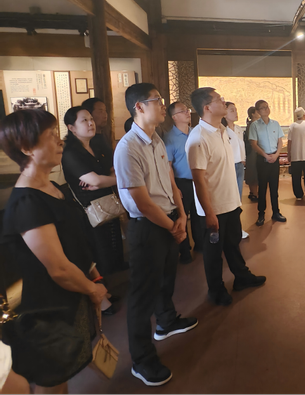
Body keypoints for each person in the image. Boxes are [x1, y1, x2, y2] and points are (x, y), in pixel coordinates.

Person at [0, 109, 108, 393]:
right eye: (50, 135)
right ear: (26, 148)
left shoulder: (52, 186)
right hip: (44, 311)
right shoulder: (27, 202)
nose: (59, 141)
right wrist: (92, 289)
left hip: (68, 299)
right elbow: (58, 268)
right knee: (54, 379)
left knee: (65, 372)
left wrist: (92, 275)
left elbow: (73, 241)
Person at [114, 83, 197, 387]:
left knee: (166, 279)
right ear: (139, 107)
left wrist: (182, 214)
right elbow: (142, 202)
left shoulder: (156, 139)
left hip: (169, 219)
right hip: (149, 227)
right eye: (157, 100)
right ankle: (142, 359)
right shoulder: (127, 148)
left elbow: (170, 180)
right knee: (141, 296)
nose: (163, 105)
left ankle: (166, 321)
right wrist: (173, 225)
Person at [186, 87, 266, 307]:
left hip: (230, 202)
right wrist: (209, 212)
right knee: (213, 252)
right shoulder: (198, 138)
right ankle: (216, 290)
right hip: (213, 208)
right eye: (218, 99)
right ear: (207, 107)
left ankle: (241, 276)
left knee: (232, 243)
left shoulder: (222, 130)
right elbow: (198, 180)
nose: (223, 101)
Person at [62, 107, 126, 279]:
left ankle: (116, 273)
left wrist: (106, 179)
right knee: (99, 247)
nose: (91, 123)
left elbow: (114, 171)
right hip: (88, 208)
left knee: (113, 239)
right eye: (84, 120)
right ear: (72, 128)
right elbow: (95, 181)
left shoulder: (97, 145)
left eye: (91, 119)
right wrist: (109, 179)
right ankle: (103, 285)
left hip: (107, 200)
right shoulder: (70, 153)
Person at [164, 102, 206, 262]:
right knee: (182, 216)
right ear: (174, 117)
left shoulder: (196, 133)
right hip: (182, 182)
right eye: (183, 111)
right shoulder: (169, 138)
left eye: (187, 110)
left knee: (198, 214)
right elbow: (168, 166)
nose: (188, 113)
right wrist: (174, 187)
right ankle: (185, 251)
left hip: (198, 180)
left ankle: (200, 244)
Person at [248, 100, 286, 226]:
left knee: (274, 188)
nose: (266, 109)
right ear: (258, 111)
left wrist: (276, 155)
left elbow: (280, 141)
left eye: (267, 107)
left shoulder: (275, 124)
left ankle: (276, 212)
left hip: (274, 158)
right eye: (263, 108)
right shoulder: (254, 125)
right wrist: (265, 155)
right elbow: (254, 144)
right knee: (262, 188)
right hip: (262, 160)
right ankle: (261, 214)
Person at [222, 101, 249, 239]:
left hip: (239, 165)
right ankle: (231, 229)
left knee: (238, 198)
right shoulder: (222, 129)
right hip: (228, 166)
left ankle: (237, 228)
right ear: (224, 113)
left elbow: (241, 147)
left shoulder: (238, 129)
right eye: (232, 110)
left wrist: (243, 159)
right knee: (229, 198)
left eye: (236, 109)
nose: (236, 112)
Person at [287, 107, 305, 200]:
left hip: (295, 155)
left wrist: (289, 153)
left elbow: (289, 142)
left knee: (296, 176)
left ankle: (298, 195)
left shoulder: (292, 126)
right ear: (304, 115)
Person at [244, 106, 260, 201]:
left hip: (256, 152)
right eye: (257, 112)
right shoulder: (252, 126)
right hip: (252, 152)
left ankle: (254, 192)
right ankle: (254, 193)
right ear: (253, 114)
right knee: (253, 172)